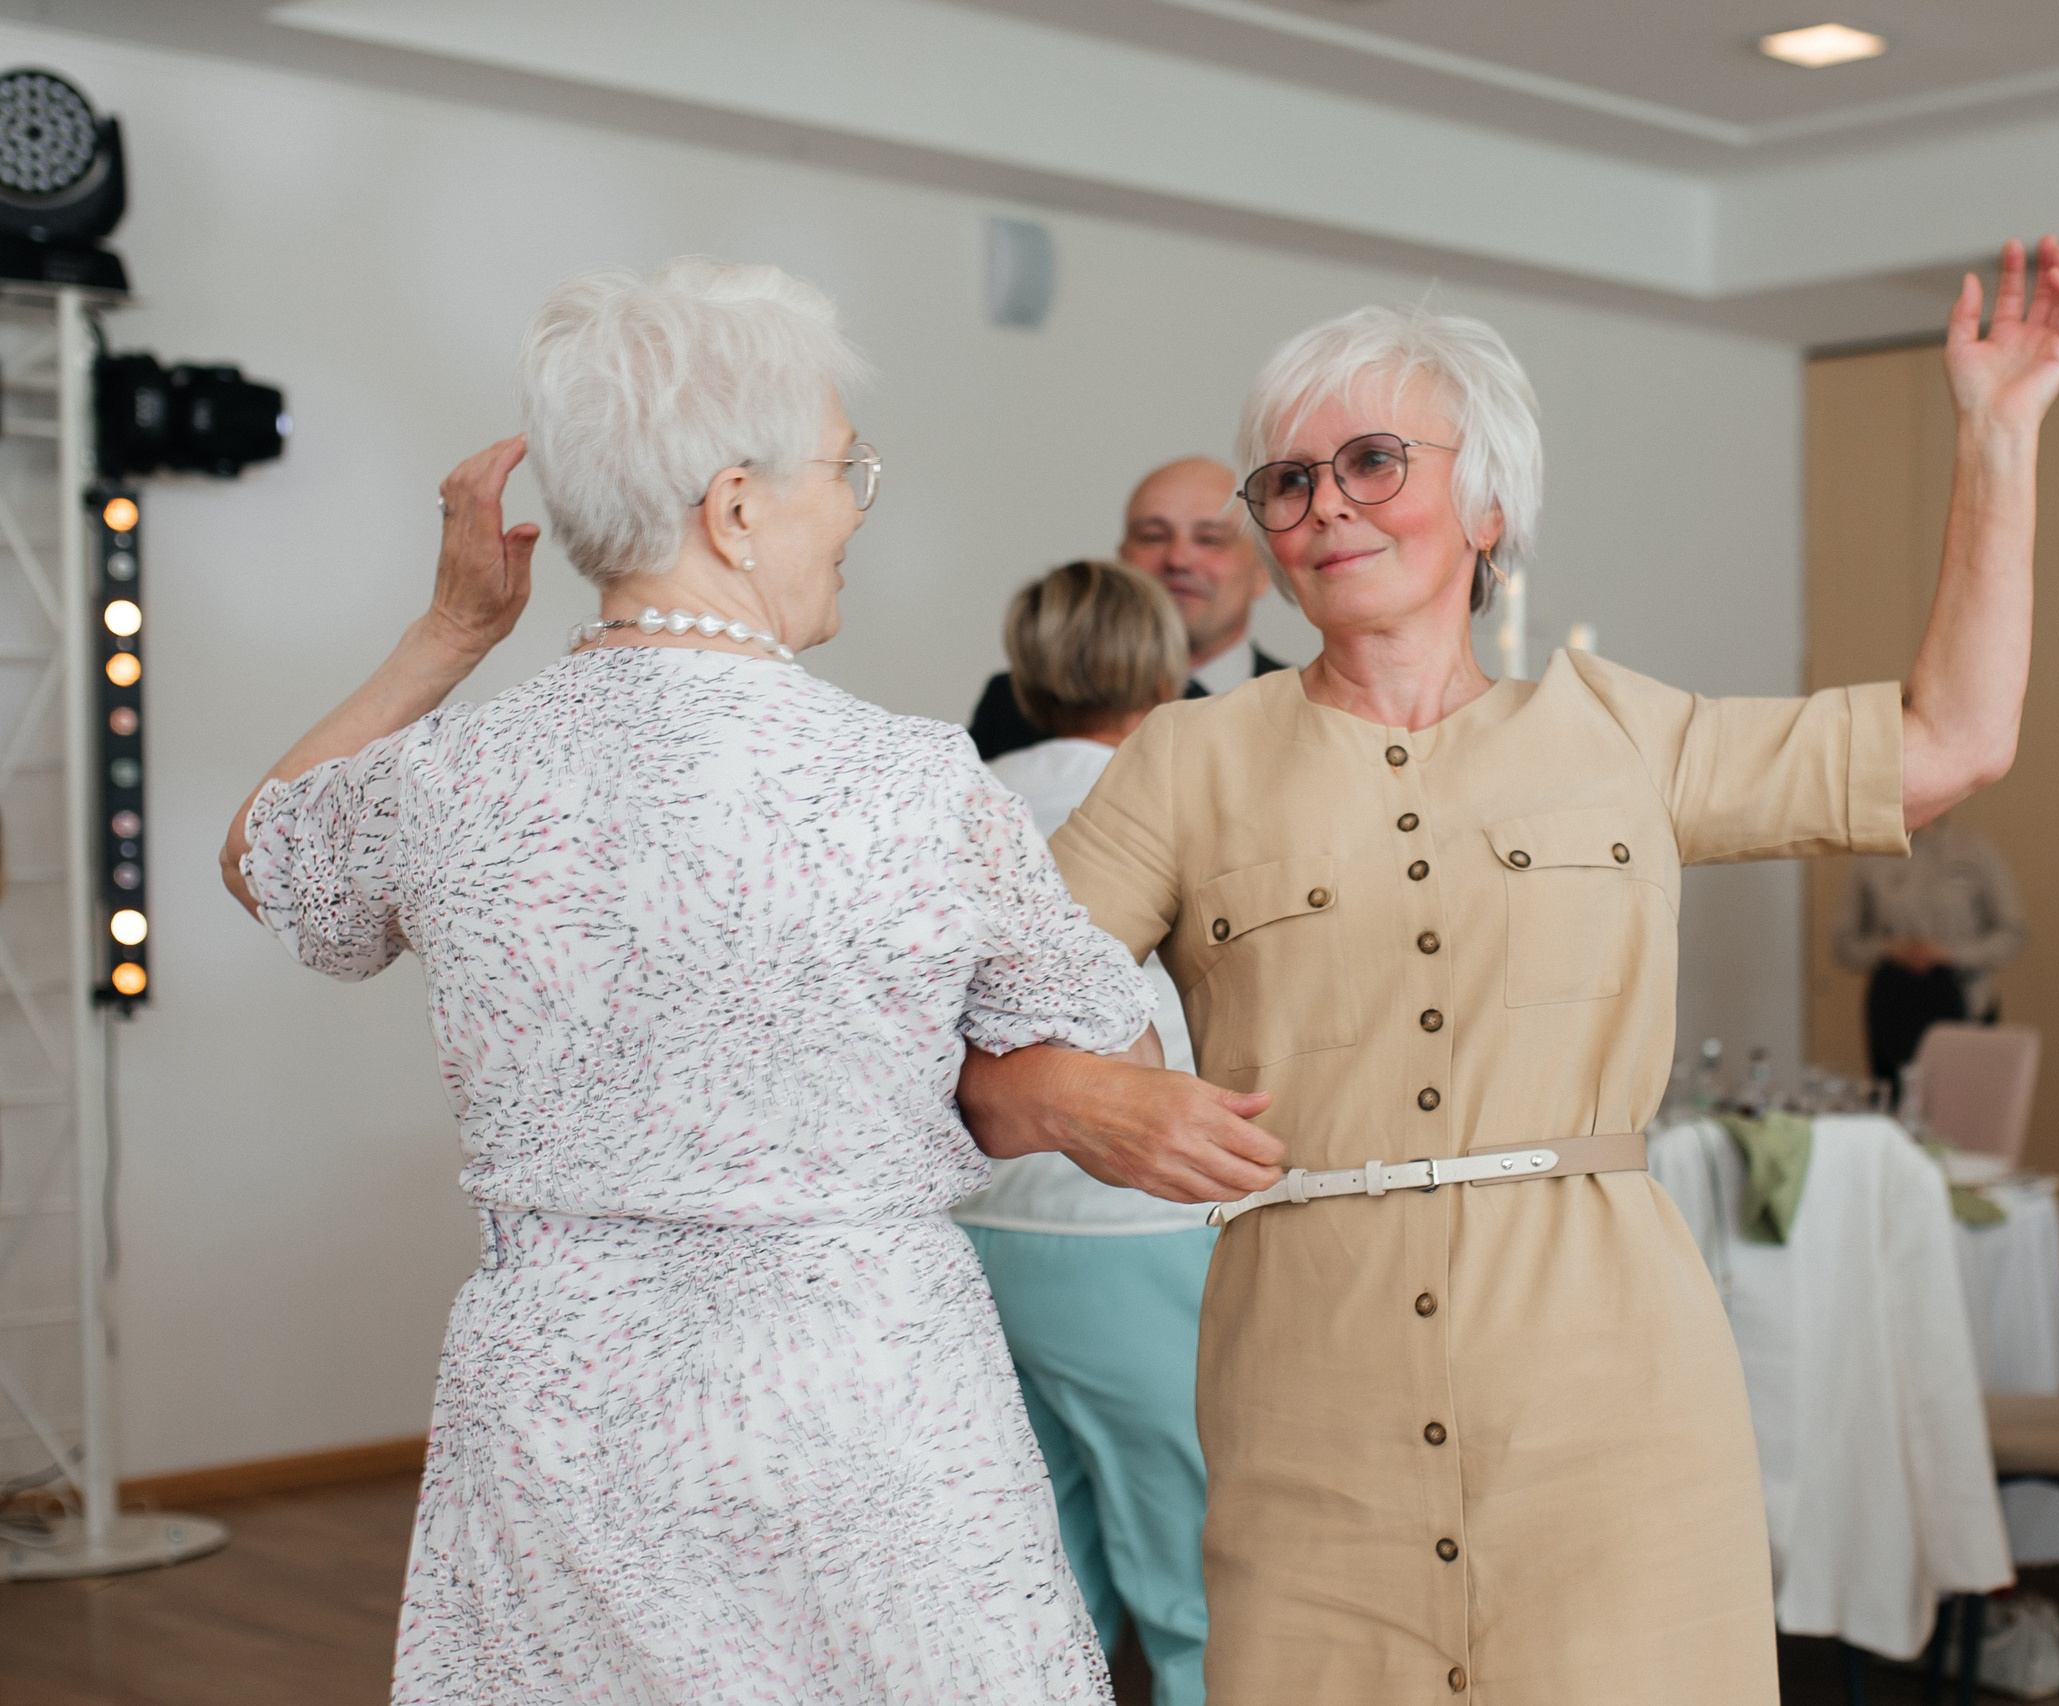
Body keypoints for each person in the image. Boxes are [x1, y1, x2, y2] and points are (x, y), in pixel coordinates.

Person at [957, 237, 2059, 1703]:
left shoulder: (1625, 735)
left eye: (1373, 459)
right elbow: (971, 1048)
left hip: (1612, 1414)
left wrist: (2000, 439)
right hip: (1312, 1422)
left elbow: (1952, 739)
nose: (1327, 506)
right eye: (1289, 482)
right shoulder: (1188, 760)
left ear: (1489, 501)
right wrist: (1085, 1097)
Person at [216, 260, 1279, 1705]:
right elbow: (1109, 1042)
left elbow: (265, 856)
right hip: (853, 1392)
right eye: (846, 470)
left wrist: (453, 630)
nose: (853, 504)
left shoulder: (452, 777)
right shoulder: (906, 781)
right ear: (733, 507)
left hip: (560, 1401)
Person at [952, 559, 1217, 1706]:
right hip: (1130, 1234)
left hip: (979, 1235)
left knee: (1040, 1588)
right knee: (1199, 1582)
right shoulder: (1181, 800)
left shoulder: (965, 798)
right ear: (1168, 669)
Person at [969, 458, 1288, 762]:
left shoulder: (1304, 705)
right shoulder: (1016, 702)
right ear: (1122, 560)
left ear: (1264, 568)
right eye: (1153, 536)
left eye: (1209, 539)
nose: (1178, 559)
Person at [1832, 812, 2029, 1087]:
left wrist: (1951, 953)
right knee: (1897, 1106)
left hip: (1964, 1001)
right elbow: (1844, 944)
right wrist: (1888, 949)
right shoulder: (1872, 859)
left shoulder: (1973, 851)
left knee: (1962, 1105)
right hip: (1895, 1007)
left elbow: (2012, 932)